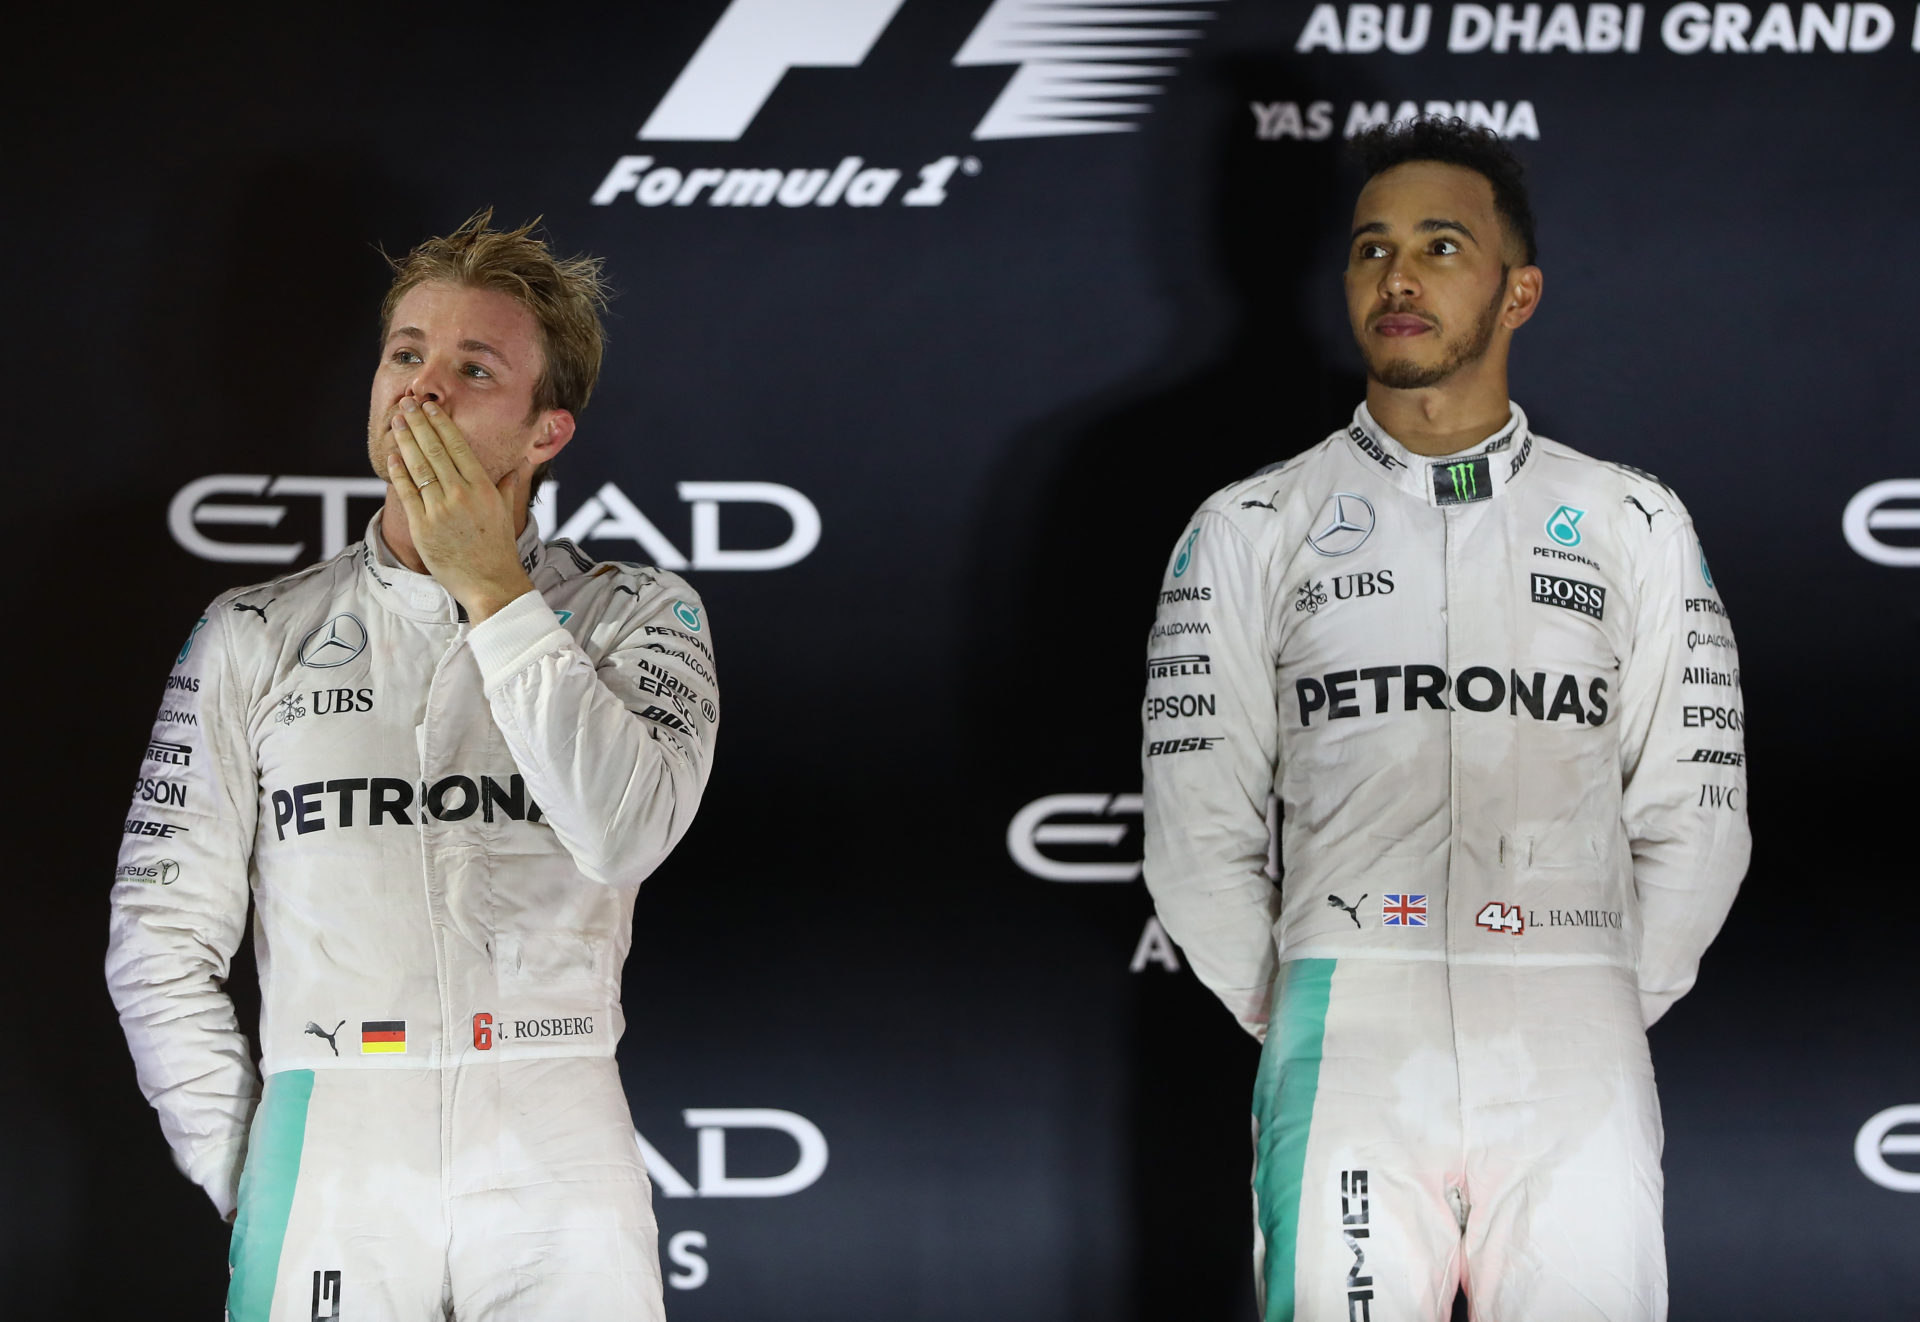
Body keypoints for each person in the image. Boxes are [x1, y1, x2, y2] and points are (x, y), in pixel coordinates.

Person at [1140, 120, 1749, 1321]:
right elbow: (1195, 822)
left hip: (1577, 1036)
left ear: (1519, 291)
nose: (1398, 277)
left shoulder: (1631, 521)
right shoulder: (1250, 525)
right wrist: (1310, 998)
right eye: (1372, 248)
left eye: (1440, 245)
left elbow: (1700, 805)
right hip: (1345, 1034)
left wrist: (1592, 985)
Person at [107, 212, 717, 1321]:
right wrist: (260, 1168)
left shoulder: (637, 612)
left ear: (547, 431)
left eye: (474, 368)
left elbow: (625, 832)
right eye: (405, 354)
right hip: (330, 1136)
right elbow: (158, 936)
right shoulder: (253, 631)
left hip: (559, 1137)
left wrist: (494, 591)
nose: (423, 390)